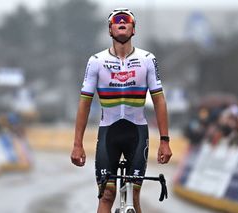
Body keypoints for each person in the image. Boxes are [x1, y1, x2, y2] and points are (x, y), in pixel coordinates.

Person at [71, 8, 172, 213]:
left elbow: (159, 100)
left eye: (127, 20)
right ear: (110, 30)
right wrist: (77, 144)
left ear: (134, 29)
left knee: (134, 197)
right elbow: (84, 103)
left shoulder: (147, 59)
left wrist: (164, 141)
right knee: (107, 195)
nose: (122, 22)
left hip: (137, 133)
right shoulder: (96, 61)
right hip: (109, 132)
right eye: (117, 20)